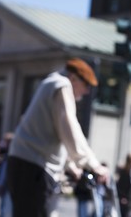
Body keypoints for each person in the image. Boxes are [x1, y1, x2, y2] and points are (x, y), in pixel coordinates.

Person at [7, 57, 109, 217]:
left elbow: (56, 134)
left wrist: (71, 166)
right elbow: (69, 127)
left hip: (26, 163)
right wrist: (93, 164)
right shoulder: (62, 85)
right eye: (86, 85)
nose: (87, 91)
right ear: (74, 78)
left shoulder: (50, 83)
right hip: (34, 166)